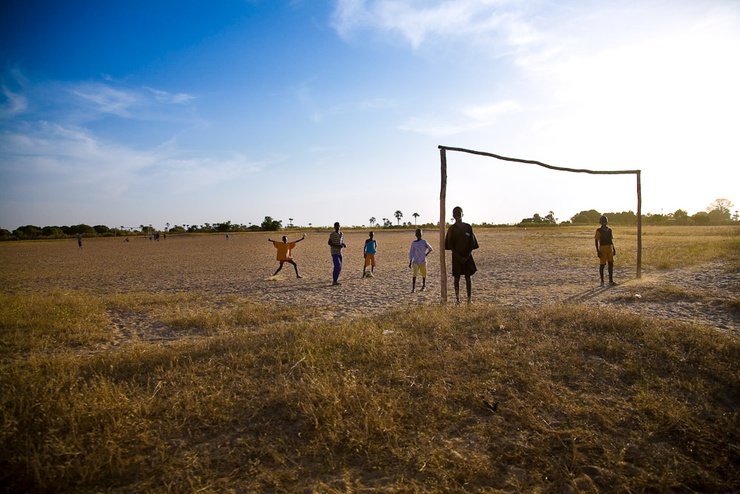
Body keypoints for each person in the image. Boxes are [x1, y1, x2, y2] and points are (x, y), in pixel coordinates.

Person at [445, 206, 479, 304]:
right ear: (453, 215)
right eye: (455, 213)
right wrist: (458, 257)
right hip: (456, 257)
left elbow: (472, 244)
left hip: (467, 256)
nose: (457, 215)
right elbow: (450, 245)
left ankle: (469, 299)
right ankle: (458, 299)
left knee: (468, 277)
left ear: (462, 214)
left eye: (459, 213)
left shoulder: (468, 227)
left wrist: (466, 256)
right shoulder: (452, 229)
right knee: (457, 278)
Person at [595, 215, 617, 287]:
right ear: (600, 222)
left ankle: (611, 281)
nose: (604, 223)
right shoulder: (598, 231)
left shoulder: (609, 230)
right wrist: (598, 251)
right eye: (603, 222)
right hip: (602, 248)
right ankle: (602, 281)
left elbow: (611, 240)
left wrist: (613, 248)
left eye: (605, 221)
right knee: (602, 265)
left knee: (610, 264)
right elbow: (596, 241)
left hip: (609, 248)